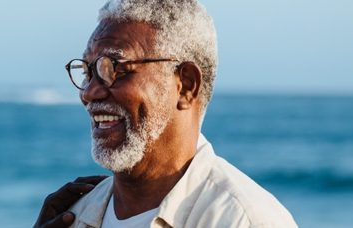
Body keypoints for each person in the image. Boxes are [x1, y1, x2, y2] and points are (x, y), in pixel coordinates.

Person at [34, 0, 297, 227]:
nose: (89, 92)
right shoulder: (74, 216)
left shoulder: (245, 221)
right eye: (88, 72)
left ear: (186, 86)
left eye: (114, 68)